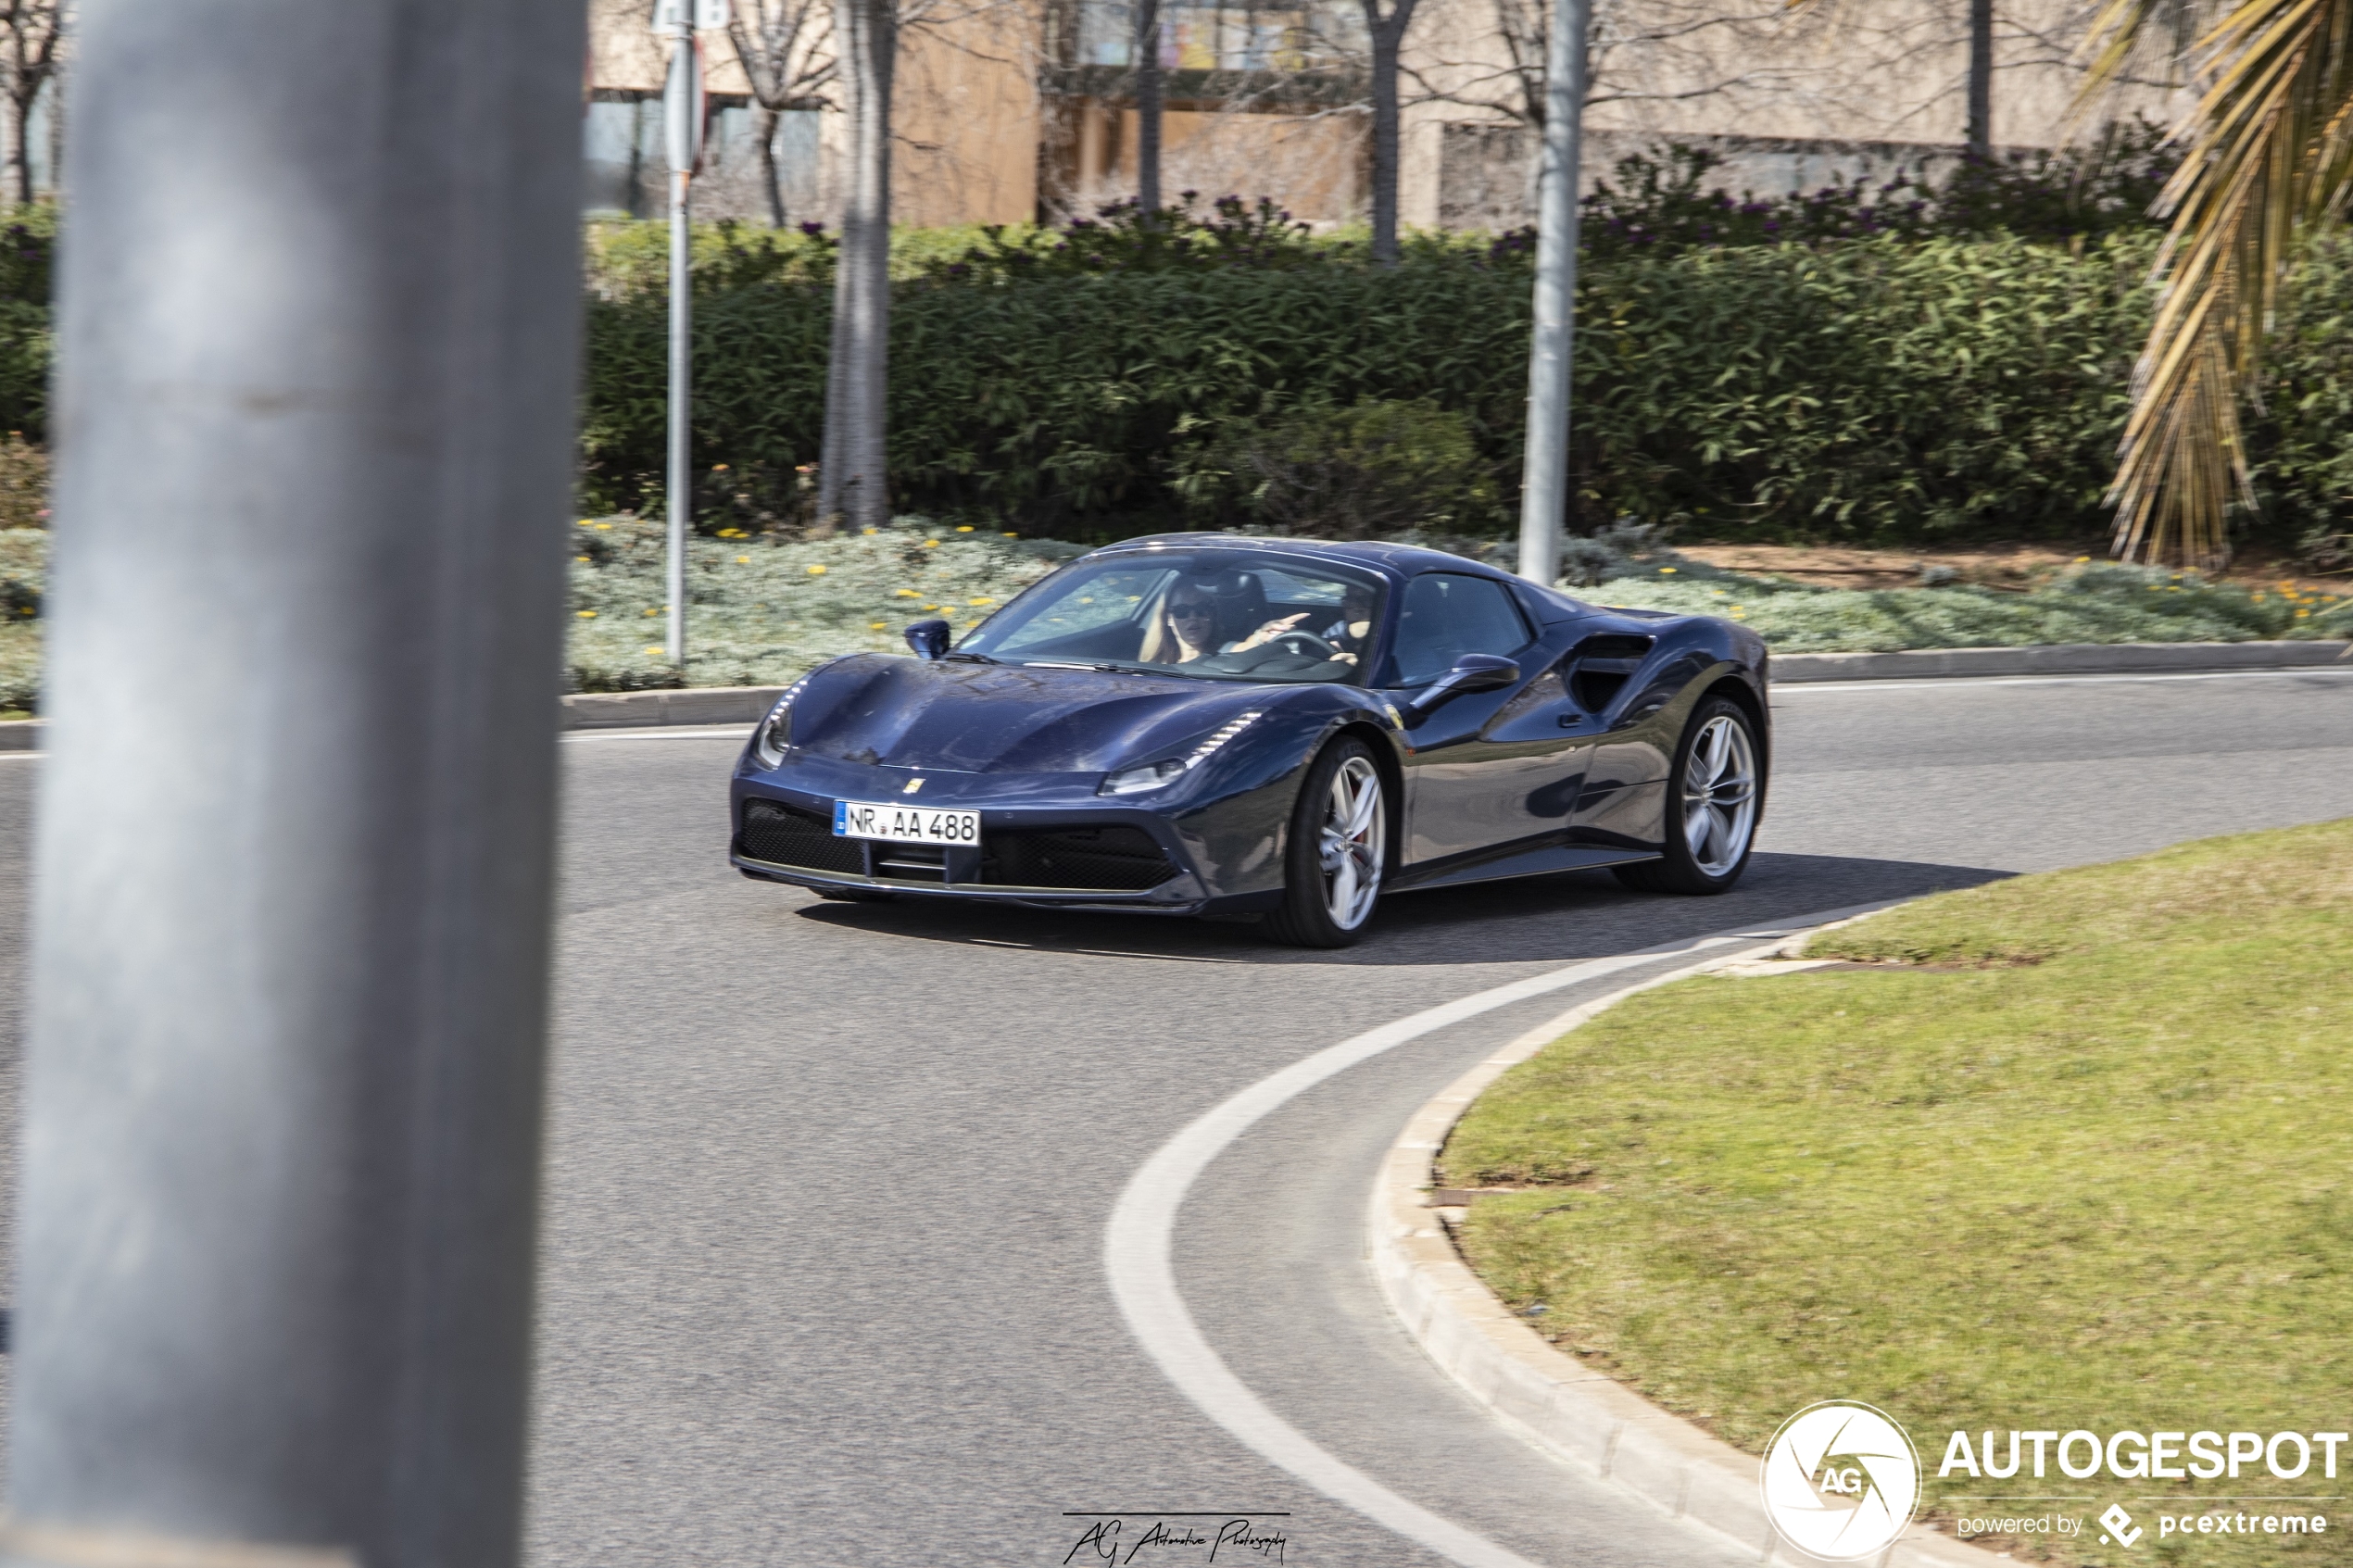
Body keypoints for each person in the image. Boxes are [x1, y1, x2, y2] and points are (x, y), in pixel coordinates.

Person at [1139, 580, 1307, 664]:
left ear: (1212, 615)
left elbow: (1245, 647)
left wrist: (1262, 634)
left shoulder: (1224, 654)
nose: (1192, 617)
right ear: (1168, 618)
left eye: (1201, 609)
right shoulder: (1149, 666)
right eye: (1181, 611)